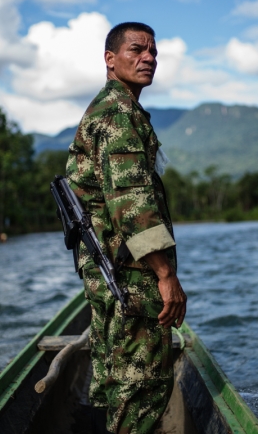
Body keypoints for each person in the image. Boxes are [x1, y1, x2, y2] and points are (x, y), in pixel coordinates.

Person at [66, 22, 187, 434]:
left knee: (120, 382)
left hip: (110, 272)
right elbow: (131, 205)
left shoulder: (114, 109)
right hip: (130, 274)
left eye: (154, 52)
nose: (149, 58)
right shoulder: (118, 114)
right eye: (137, 49)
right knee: (142, 388)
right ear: (110, 59)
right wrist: (166, 274)